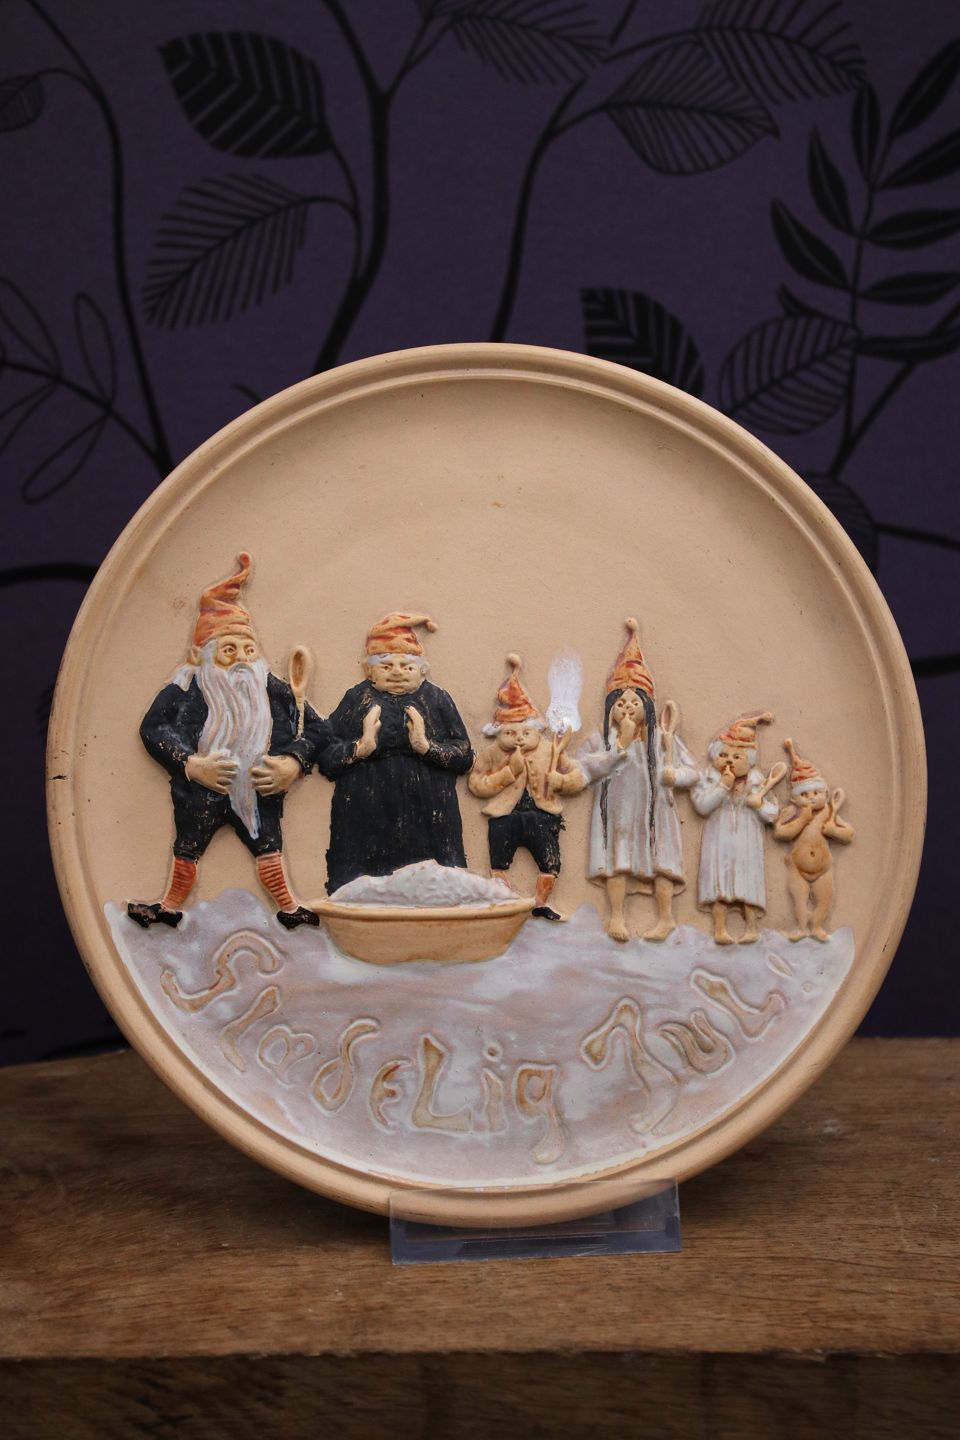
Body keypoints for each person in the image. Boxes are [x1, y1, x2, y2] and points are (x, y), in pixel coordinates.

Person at [128, 552, 326, 930]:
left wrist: (293, 763)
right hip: (202, 791)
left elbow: (319, 729)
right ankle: (169, 907)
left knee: (268, 847)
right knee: (187, 848)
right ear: (202, 655)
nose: (241, 660)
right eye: (229, 650)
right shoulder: (187, 689)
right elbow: (153, 729)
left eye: (249, 650)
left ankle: (288, 908)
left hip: (257, 787)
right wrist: (189, 763)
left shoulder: (269, 687)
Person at [316, 613, 473, 893]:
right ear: (369, 671)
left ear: (422, 670)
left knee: (432, 890)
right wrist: (359, 749)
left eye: (407, 666)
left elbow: (464, 756)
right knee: (363, 891)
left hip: (429, 818)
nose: (397, 672)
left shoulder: (437, 699)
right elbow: (326, 757)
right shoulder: (357, 698)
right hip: (366, 819)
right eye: (386, 666)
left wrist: (427, 747)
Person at [582, 619, 698, 942]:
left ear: (647, 706)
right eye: (620, 703)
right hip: (617, 811)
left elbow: (694, 773)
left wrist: (676, 775)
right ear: (610, 709)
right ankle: (616, 915)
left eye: (635, 703)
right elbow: (583, 768)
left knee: (662, 861)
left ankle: (666, 918)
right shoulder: (601, 740)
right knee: (617, 860)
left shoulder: (663, 740)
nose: (628, 709)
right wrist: (620, 746)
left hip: (657, 810)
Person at [469, 654, 599, 921]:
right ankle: (503, 899)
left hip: (542, 814)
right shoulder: (493, 754)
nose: (519, 738)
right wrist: (508, 773)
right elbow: (476, 784)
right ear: (499, 732)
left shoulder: (550, 750)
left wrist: (561, 781)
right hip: (504, 815)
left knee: (549, 861)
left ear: (537, 731)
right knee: (499, 859)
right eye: (510, 733)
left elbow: (578, 775)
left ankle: (540, 903)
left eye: (526, 733)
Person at [691, 710, 779, 945]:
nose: (729, 761)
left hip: (747, 840)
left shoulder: (758, 783)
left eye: (737, 757)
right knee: (718, 882)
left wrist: (760, 805)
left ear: (749, 761)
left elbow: (773, 814)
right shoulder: (708, 779)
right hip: (718, 838)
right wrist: (722, 786)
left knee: (747, 881)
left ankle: (751, 927)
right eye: (723, 755)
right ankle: (719, 928)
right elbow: (701, 806)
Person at [773, 737, 855, 941]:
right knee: (799, 900)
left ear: (825, 793)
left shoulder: (829, 811)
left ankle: (817, 926)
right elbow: (780, 833)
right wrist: (802, 820)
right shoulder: (792, 812)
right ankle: (801, 928)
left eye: (816, 793)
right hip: (797, 868)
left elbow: (849, 834)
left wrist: (833, 830)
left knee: (825, 899)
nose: (811, 797)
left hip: (823, 869)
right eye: (805, 794)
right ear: (794, 798)